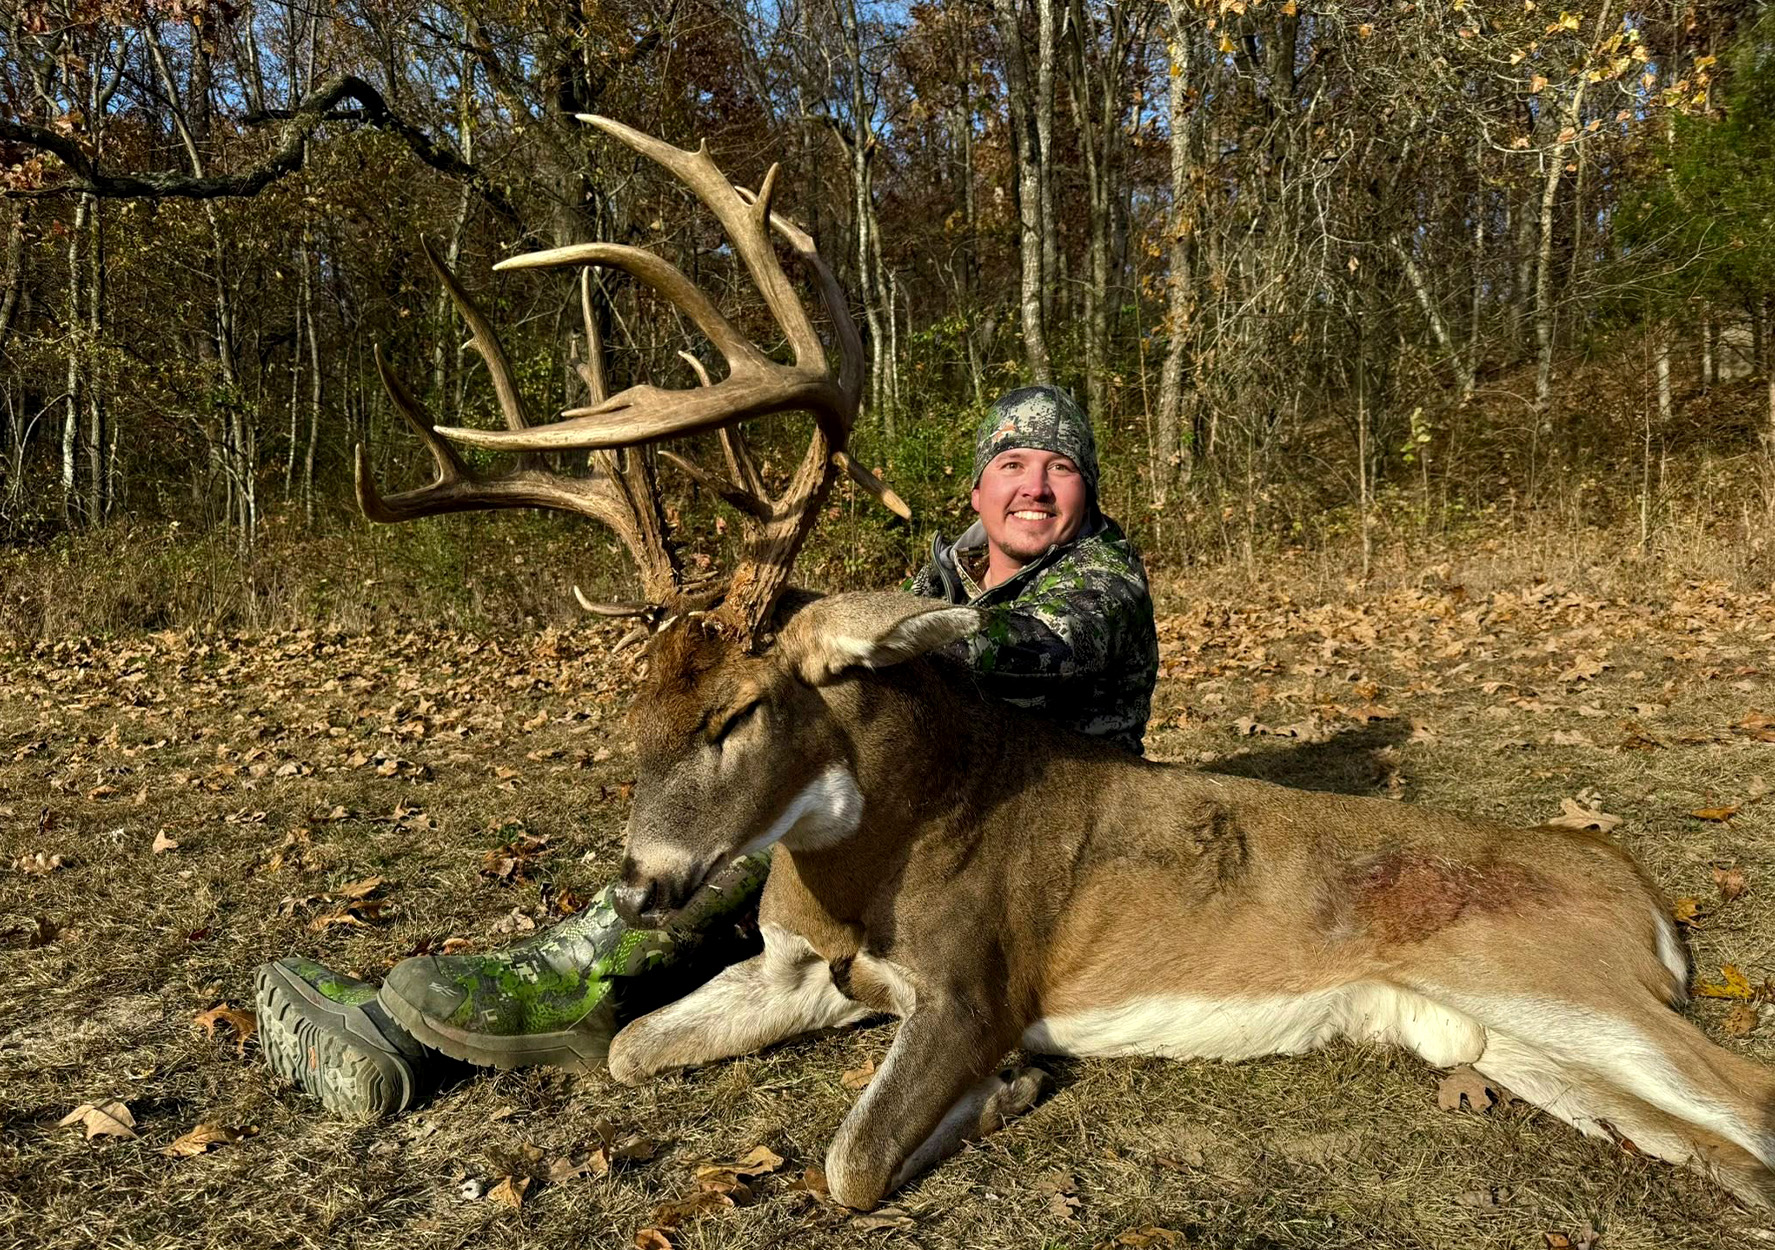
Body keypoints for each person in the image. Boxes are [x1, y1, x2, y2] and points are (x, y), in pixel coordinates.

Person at [254, 385, 1160, 1118]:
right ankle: (397, 1026)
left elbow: (990, 648)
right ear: (977, 490)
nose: (1034, 486)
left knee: (738, 851)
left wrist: (818, 627)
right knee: (745, 793)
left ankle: (562, 994)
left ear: (1086, 492)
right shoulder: (945, 565)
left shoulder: (1100, 581)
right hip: (937, 805)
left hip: (1054, 830)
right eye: (1011, 465)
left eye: (1059, 469)